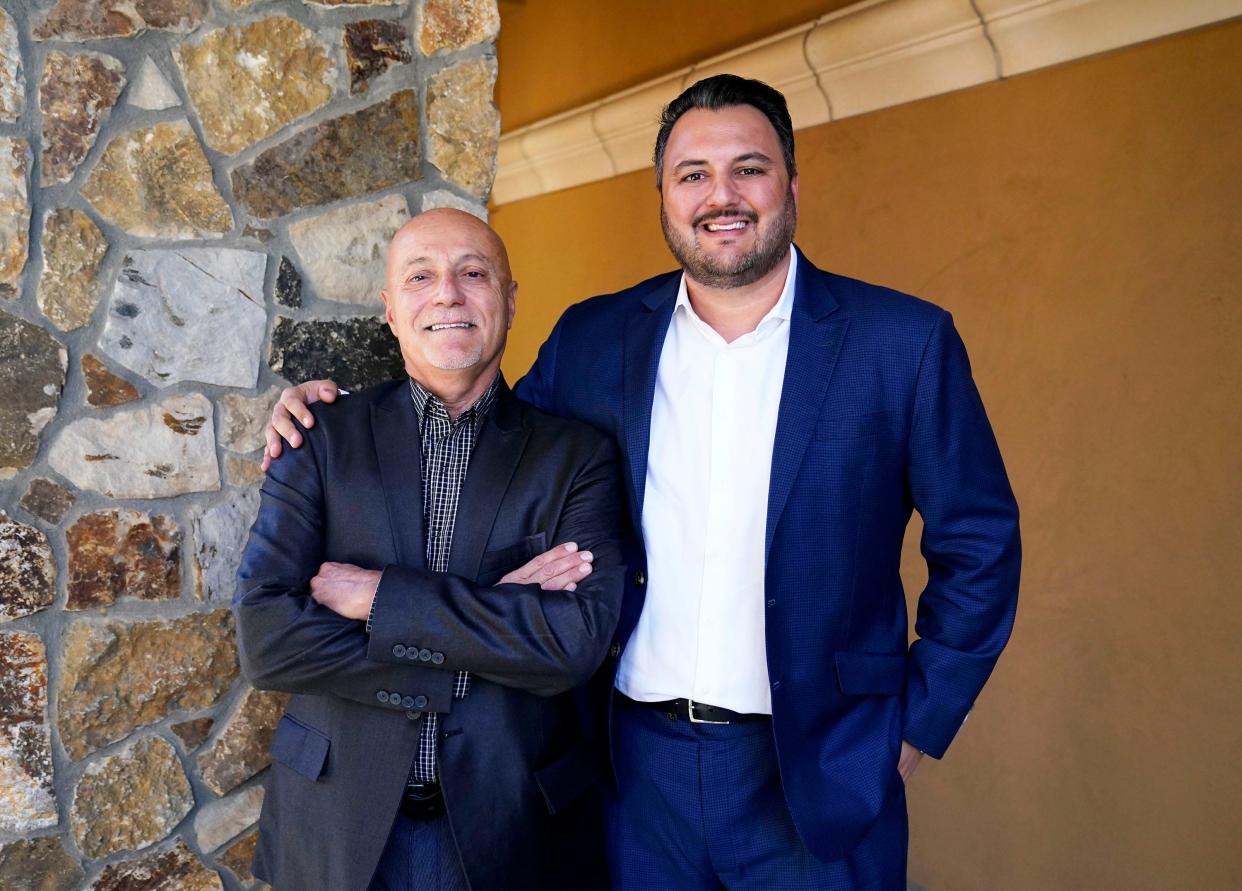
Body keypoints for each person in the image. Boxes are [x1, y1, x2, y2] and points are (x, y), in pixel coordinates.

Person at [266, 75, 1020, 889]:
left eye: (749, 169)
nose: (720, 195)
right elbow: (486, 434)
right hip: (633, 774)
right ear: (663, 197)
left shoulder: (901, 343)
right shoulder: (596, 338)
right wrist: (333, 412)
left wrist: (915, 727)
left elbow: (978, 544)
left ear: (792, 186)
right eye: (693, 173)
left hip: (820, 768)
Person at [235, 208, 624, 891]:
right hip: (340, 826)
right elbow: (266, 637)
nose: (448, 293)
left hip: (511, 830)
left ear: (509, 299)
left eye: (473, 273)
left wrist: (380, 601)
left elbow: (574, 642)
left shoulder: (577, 456)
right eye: (422, 276)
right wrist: (498, 619)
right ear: (391, 309)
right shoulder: (319, 436)